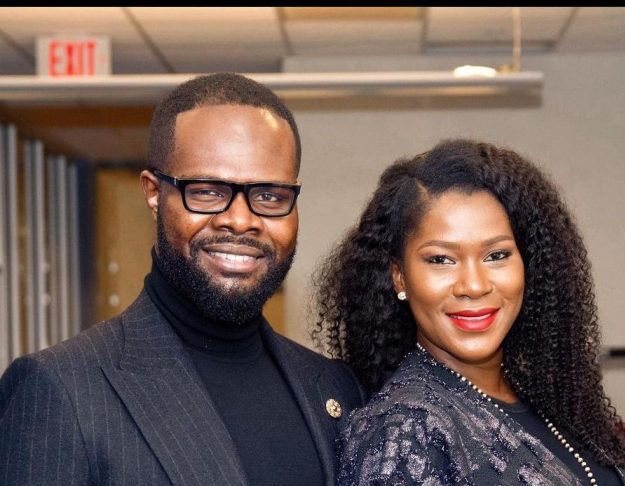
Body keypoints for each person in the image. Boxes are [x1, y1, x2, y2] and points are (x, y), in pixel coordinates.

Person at [0, 73, 364, 486]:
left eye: (269, 196)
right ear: (154, 193)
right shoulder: (61, 389)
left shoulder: (333, 388)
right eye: (207, 191)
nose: (239, 220)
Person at [313, 139, 625, 485]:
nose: (473, 285)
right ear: (399, 277)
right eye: (441, 259)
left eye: (496, 255)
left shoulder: (550, 398)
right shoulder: (404, 430)